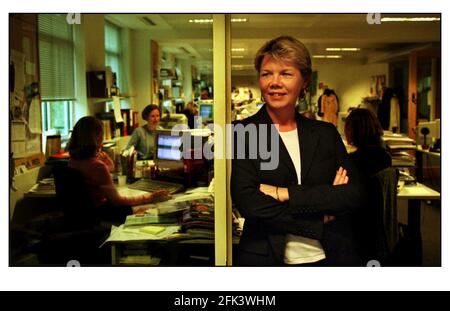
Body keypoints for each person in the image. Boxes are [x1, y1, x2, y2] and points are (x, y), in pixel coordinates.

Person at [231, 36, 367, 266]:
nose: (275, 82)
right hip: (266, 258)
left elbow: (354, 194)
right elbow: (249, 202)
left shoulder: (325, 133)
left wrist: (285, 193)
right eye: (266, 74)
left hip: (330, 256)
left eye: (285, 73)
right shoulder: (243, 132)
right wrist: (317, 216)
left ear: (304, 81)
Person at [67, 116, 169, 223]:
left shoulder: (73, 160)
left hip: (87, 214)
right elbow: (118, 201)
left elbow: (110, 169)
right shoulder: (97, 165)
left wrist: (104, 160)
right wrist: (150, 196)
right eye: (101, 134)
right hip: (104, 214)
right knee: (154, 207)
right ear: (96, 136)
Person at [344, 108, 393, 263]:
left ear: (352, 132)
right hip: (378, 224)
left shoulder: (351, 161)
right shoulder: (386, 158)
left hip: (357, 225)